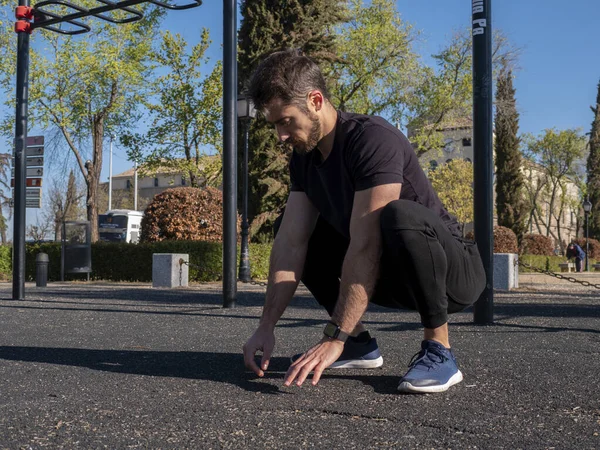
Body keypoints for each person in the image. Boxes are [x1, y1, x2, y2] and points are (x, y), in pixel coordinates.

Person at [242, 49, 486, 394]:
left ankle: (439, 349)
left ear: (315, 100)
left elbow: (367, 243)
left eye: (286, 121)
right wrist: (265, 326)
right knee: (297, 229)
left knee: (399, 215)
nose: (281, 135)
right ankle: (359, 345)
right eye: (275, 125)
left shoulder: (372, 140)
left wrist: (333, 336)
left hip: (452, 276)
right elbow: (290, 245)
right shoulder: (303, 159)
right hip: (392, 277)